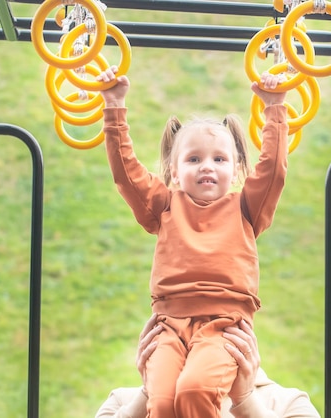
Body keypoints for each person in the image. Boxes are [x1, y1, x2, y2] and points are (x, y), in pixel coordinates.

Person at [97, 66, 289, 417]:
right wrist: (114, 107)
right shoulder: (164, 204)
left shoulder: (247, 208)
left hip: (224, 325)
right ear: (173, 169)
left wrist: (274, 109)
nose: (207, 167)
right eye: (193, 159)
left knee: (196, 390)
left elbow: (273, 170)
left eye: (219, 159)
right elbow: (125, 173)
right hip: (169, 326)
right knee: (164, 400)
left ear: (236, 170)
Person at [95, 313, 321, 418]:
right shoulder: (123, 402)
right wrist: (148, 394)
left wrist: (245, 401)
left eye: (212, 323)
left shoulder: (289, 404)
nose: (195, 334)